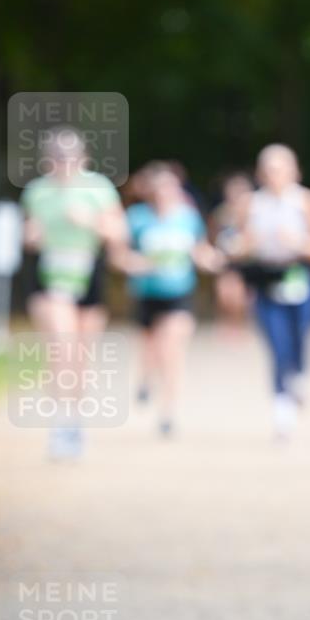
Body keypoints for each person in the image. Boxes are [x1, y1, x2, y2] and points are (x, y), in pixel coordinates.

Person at [21, 125, 127, 460]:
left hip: (87, 275)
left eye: (69, 156)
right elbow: (28, 234)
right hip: (51, 279)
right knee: (61, 347)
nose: (63, 162)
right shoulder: (36, 192)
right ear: (46, 160)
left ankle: (73, 419)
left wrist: (90, 222)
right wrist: (31, 235)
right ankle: (60, 422)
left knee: (80, 358)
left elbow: (118, 235)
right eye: (56, 157)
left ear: (83, 157)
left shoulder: (98, 188)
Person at [115, 162, 224, 436]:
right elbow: (120, 255)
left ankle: (168, 411)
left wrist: (211, 260)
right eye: (159, 188)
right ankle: (145, 378)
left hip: (180, 293)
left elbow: (198, 249)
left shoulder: (188, 217)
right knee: (150, 347)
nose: (165, 193)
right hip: (147, 294)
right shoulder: (137, 218)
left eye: (170, 188)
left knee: (171, 350)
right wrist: (136, 263)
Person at [236, 144, 310, 439]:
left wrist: (298, 243)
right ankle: (282, 410)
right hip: (266, 280)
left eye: (281, 168)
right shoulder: (251, 204)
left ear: (294, 171)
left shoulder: (306, 201)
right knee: (277, 344)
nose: (275, 175)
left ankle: (299, 377)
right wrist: (246, 246)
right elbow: (237, 246)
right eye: (269, 169)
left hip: (300, 276)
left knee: (301, 334)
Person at [209, 171, 255, 338]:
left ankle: (241, 325)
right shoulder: (220, 213)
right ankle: (225, 323)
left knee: (243, 297)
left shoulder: (256, 211)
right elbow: (212, 236)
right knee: (225, 293)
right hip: (227, 261)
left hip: (250, 261)